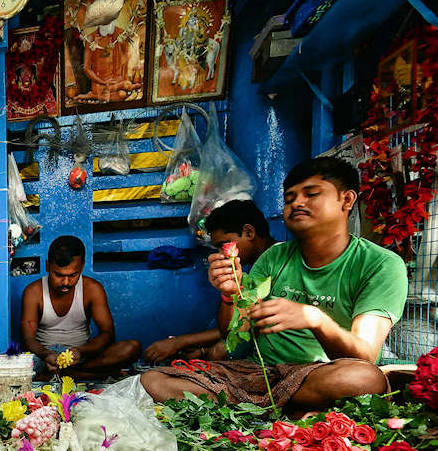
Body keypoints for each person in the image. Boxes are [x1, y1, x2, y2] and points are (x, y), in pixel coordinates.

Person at [141, 157, 408, 409]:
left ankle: (252, 405)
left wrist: (315, 319)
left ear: (346, 200)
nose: (297, 203)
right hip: (259, 375)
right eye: (290, 198)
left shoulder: (380, 264)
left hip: (314, 376)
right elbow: (233, 333)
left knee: (363, 379)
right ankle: (280, 407)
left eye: (311, 194)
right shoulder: (274, 257)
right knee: (152, 381)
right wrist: (230, 295)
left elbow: (364, 356)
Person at [144, 200, 275, 364]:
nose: (222, 254)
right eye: (217, 248)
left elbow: (248, 325)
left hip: (276, 361)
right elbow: (233, 327)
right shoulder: (255, 268)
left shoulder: (277, 263)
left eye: (223, 244)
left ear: (249, 232)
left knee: (219, 351)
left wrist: (179, 342)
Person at [21, 235, 141, 380]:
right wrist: (47, 354)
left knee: (132, 348)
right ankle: (83, 375)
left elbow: (107, 334)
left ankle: (65, 374)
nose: (66, 282)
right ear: (47, 266)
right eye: (58, 275)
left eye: (73, 275)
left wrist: (80, 351)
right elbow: (28, 339)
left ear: (82, 266)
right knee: (21, 364)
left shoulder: (92, 289)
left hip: (82, 356)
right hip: (45, 358)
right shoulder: (33, 292)